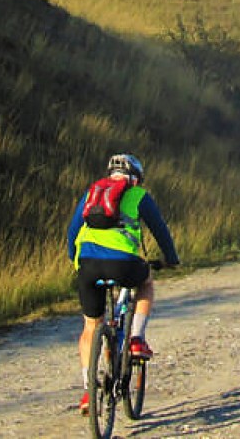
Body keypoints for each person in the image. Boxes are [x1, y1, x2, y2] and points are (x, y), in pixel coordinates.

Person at [66, 153, 181, 416]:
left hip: (87, 266)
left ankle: (88, 392)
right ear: (137, 177)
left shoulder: (92, 194)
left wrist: (76, 261)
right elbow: (160, 229)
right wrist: (171, 259)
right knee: (146, 284)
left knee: (90, 326)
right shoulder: (139, 195)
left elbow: (72, 231)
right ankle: (137, 339)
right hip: (124, 265)